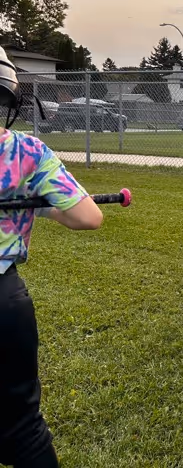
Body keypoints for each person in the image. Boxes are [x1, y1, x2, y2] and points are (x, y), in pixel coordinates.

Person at [0, 46, 103, 468]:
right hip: (4, 304)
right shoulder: (26, 153)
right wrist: (37, 201)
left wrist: (33, 204)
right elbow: (87, 216)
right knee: (22, 426)